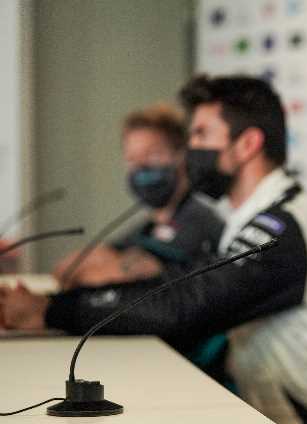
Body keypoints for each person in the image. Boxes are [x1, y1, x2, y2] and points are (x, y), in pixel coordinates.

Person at [0, 75, 307, 424]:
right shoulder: (250, 217)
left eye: (201, 135)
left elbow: (185, 305)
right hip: (269, 421)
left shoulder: (286, 224)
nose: (191, 151)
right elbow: (179, 286)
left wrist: (49, 311)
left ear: (247, 144)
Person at [53, 103, 224, 290]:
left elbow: (129, 277)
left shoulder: (199, 219)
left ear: (181, 155)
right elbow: (66, 268)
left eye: (152, 155)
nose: (141, 167)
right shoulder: (149, 224)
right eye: (132, 159)